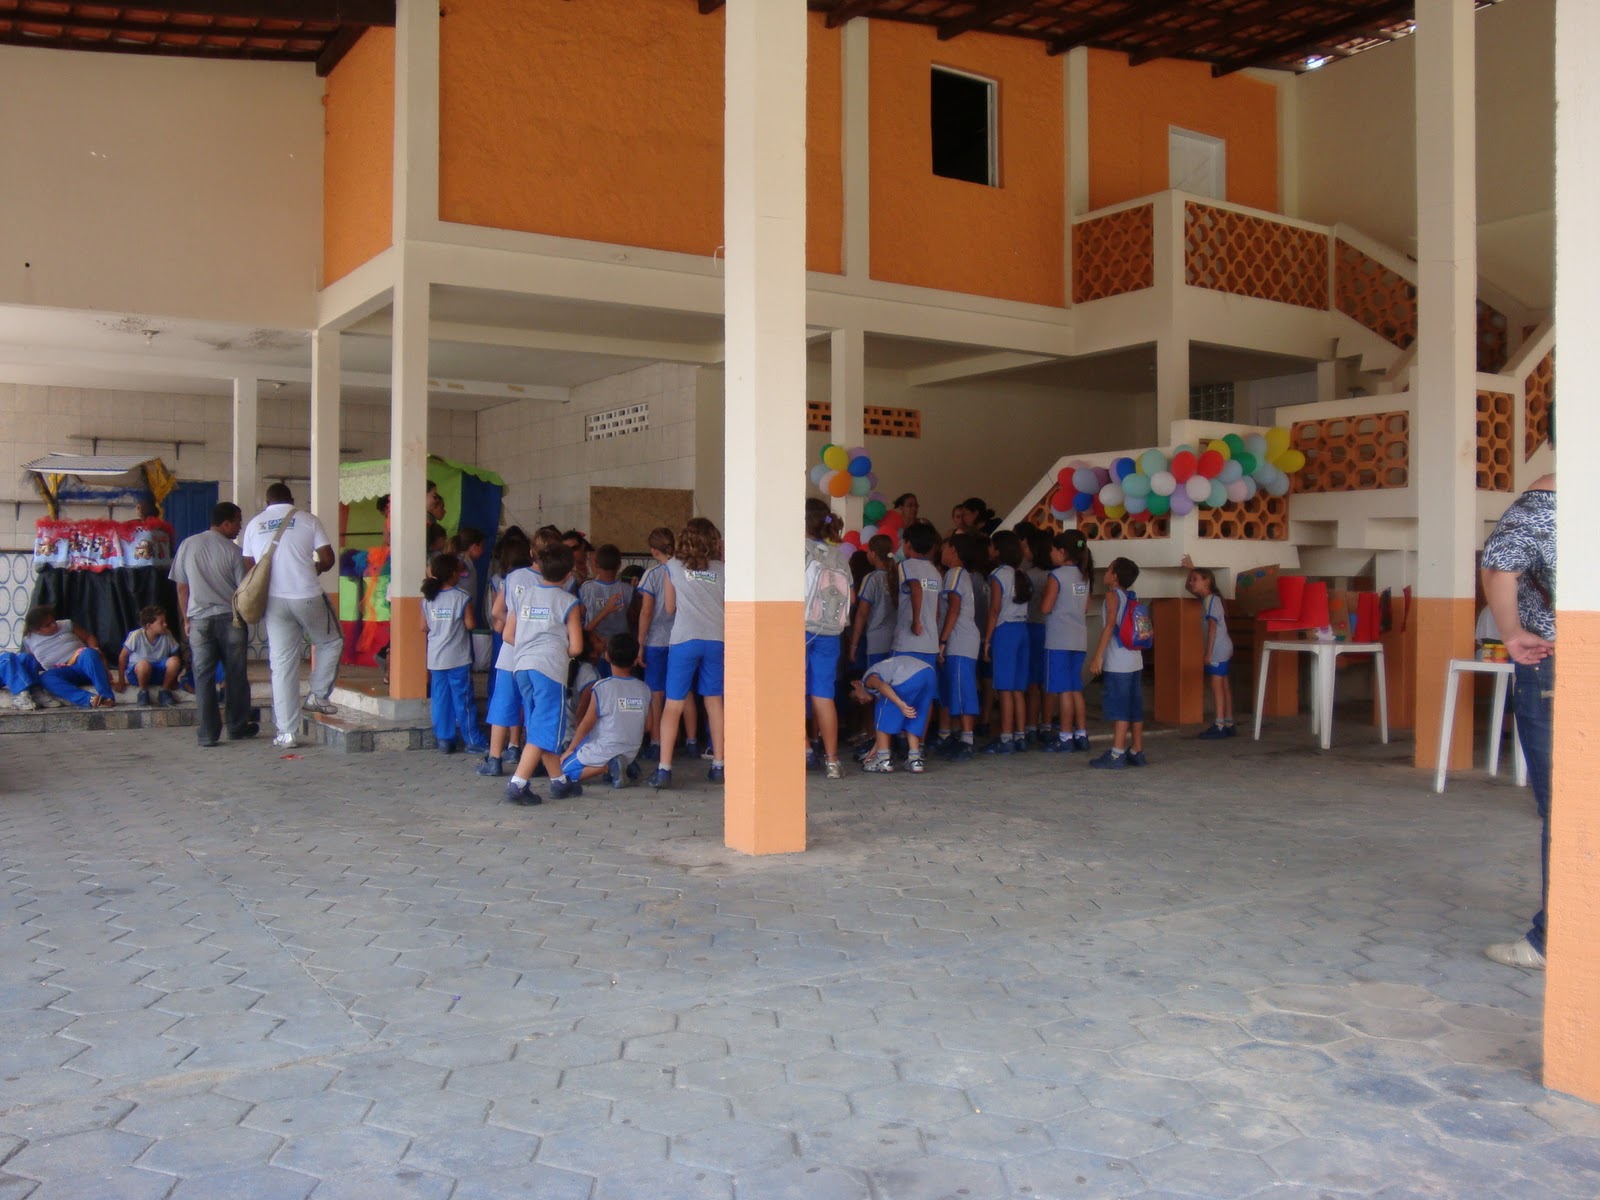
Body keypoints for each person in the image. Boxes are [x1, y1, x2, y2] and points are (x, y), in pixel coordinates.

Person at [1480, 406, 1556, 972]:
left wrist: (1511, 631)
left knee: (1568, 806)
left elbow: (1500, 565)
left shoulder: (1546, 501)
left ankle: (1552, 940)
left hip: (1555, 661)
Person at [241, 483, 343, 749]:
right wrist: (315, 567)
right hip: (307, 595)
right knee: (330, 641)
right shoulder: (308, 519)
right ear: (291, 499)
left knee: (282, 664)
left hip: (274, 602)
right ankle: (318, 695)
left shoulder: (254, 524)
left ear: (267, 501)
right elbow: (329, 558)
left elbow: (249, 567)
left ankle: (286, 733)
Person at [501, 541, 585, 806]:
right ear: (569, 574)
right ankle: (518, 783)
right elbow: (577, 647)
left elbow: (508, 634)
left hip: (521, 666)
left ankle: (559, 782)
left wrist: (530, 646)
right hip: (549, 669)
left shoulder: (523, 596)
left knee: (539, 724)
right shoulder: (568, 601)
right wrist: (556, 650)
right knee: (545, 726)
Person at [647, 518, 726, 790]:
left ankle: (664, 769)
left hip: (684, 639)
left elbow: (670, 608)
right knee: (714, 701)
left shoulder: (672, 567)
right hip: (717, 638)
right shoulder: (723, 569)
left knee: (674, 704)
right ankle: (718, 765)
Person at [170, 501, 256, 745]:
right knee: (236, 674)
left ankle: (208, 734)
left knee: (203, 676)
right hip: (231, 620)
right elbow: (244, 591)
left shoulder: (188, 545)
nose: (240, 527)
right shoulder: (233, 552)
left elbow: (181, 587)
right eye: (238, 521)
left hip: (199, 620)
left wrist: (187, 620)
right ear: (226, 523)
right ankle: (237, 727)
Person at [636, 527, 700, 762]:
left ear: (653, 551)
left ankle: (656, 741)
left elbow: (646, 610)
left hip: (656, 639)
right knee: (685, 691)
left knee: (657, 693)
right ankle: (692, 740)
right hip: (682, 637)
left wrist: (640, 642)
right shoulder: (686, 570)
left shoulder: (652, 575)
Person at [556, 633, 651, 790]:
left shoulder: (601, 687)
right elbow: (648, 726)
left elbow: (587, 723)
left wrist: (571, 749)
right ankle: (625, 766)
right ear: (635, 660)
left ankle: (608, 767)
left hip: (603, 749)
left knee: (560, 773)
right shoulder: (644, 689)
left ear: (607, 656)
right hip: (630, 751)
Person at [803, 498, 852, 780]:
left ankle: (804, 748)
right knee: (824, 695)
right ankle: (832, 761)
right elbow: (850, 597)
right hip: (831, 631)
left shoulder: (799, 550)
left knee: (795, 691)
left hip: (801, 626)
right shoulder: (839, 555)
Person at [478, 533, 532, 777]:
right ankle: (532, 756)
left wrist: (511, 623)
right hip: (536, 652)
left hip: (511, 650)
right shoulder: (546, 580)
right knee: (532, 705)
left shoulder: (509, 579)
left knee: (503, 704)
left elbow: (496, 611)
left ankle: (495, 759)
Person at [422, 552, 486, 756]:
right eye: (459, 571)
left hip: (435, 658)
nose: (461, 575)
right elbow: (470, 624)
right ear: (451, 574)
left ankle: (444, 740)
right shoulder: (462, 598)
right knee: (463, 700)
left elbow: (423, 627)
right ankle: (473, 740)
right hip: (458, 658)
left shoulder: (427, 599)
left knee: (440, 700)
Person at [1087, 557, 1147, 768]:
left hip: (1118, 661)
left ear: (1115, 576)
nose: (1106, 571)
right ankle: (1137, 749)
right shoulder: (1132, 596)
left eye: (1109, 568)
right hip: (1135, 659)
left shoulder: (1112, 596)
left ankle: (1117, 752)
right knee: (1134, 707)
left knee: (1120, 707)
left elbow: (1111, 624)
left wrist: (1098, 655)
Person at [1039, 529, 1093, 753]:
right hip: (1079, 639)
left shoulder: (1057, 576)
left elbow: (1045, 607)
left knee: (1062, 691)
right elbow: (1087, 607)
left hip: (1059, 639)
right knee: (1075, 688)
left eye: (1053, 550)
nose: (1051, 554)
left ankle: (1065, 736)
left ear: (1062, 552)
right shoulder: (1084, 576)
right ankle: (1081, 734)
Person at [981, 530, 1033, 754]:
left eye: (992, 546)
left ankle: (1005, 738)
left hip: (1005, 631)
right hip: (1022, 630)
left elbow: (994, 610)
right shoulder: (1022, 574)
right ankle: (1020, 735)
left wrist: (987, 639)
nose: (990, 549)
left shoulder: (998, 575)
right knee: (1018, 689)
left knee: (1004, 688)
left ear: (999, 550)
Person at [932, 533, 983, 759]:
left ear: (953, 550)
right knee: (951, 688)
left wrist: (942, 640)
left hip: (960, 640)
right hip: (958, 640)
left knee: (963, 689)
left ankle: (967, 739)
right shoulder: (957, 575)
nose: (941, 553)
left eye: (944, 548)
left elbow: (953, 608)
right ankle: (950, 734)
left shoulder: (954, 574)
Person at [852, 654, 938, 775]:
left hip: (908, 676)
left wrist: (900, 704)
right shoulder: (882, 669)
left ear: (855, 684)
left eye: (856, 697)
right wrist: (875, 748)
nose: (861, 702)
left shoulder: (868, 679)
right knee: (913, 714)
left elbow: (882, 686)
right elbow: (886, 727)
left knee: (882, 708)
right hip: (929, 674)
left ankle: (883, 760)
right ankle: (915, 760)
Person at [1182, 555, 1236, 738]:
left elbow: (1212, 628)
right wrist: (1191, 569)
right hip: (1224, 647)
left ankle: (1219, 724)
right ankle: (1228, 722)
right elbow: (1187, 588)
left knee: (1216, 686)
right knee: (1224, 685)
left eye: (1196, 580)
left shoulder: (1212, 600)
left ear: (1208, 581)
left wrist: (1208, 653)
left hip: (1218, 649)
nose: (1191, 583)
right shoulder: (1208, 599)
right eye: (1192, 579)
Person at [21, 605, 116, 708]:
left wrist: (96, 650)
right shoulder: (28, 640)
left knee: (89, 653)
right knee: (45, 678)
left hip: (83, 664)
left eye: (53, 621)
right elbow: (31, 661)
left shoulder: (66, 624)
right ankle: (90, 699)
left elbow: (88, 637)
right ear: (36, 630)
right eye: (48, 625)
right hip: (62, 672)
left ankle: (107, 697)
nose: (54, 625)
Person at [892, 522, 942, 668]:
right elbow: (937, 611)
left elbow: (916, 587)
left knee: (896, 686)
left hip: (908, 643)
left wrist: (916, 622)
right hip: (931, 644)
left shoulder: (905, 566)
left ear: (908, 544)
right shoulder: (935, 571)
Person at [579, 544, 633, 672]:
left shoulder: (586, 589)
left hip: (595, 650)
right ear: (619, 565)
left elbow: (582, 616)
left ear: (596, 565)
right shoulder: (627, 590)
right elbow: (632, 618)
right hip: (620, 650)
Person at [847, 534, 897, 672]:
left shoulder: (872, 579)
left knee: (874, 684)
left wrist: (853, 645)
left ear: (873, 554)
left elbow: (862, 613)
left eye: (868, 551)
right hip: (895, 641)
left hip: (876, 643)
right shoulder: (897, 576)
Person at [117, 605, 182, 707]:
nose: (165, 624)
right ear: (149, 626)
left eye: (165, 621)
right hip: (138, 673)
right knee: (144, 664)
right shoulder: (136, 635)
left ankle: (164, 691)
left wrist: (174, 679)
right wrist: (121, 681)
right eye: (161, 622)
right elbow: (122, 657)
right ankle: (143, 691)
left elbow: (174, 654)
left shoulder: (167, 634)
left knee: (175, 660)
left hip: (158, 672)